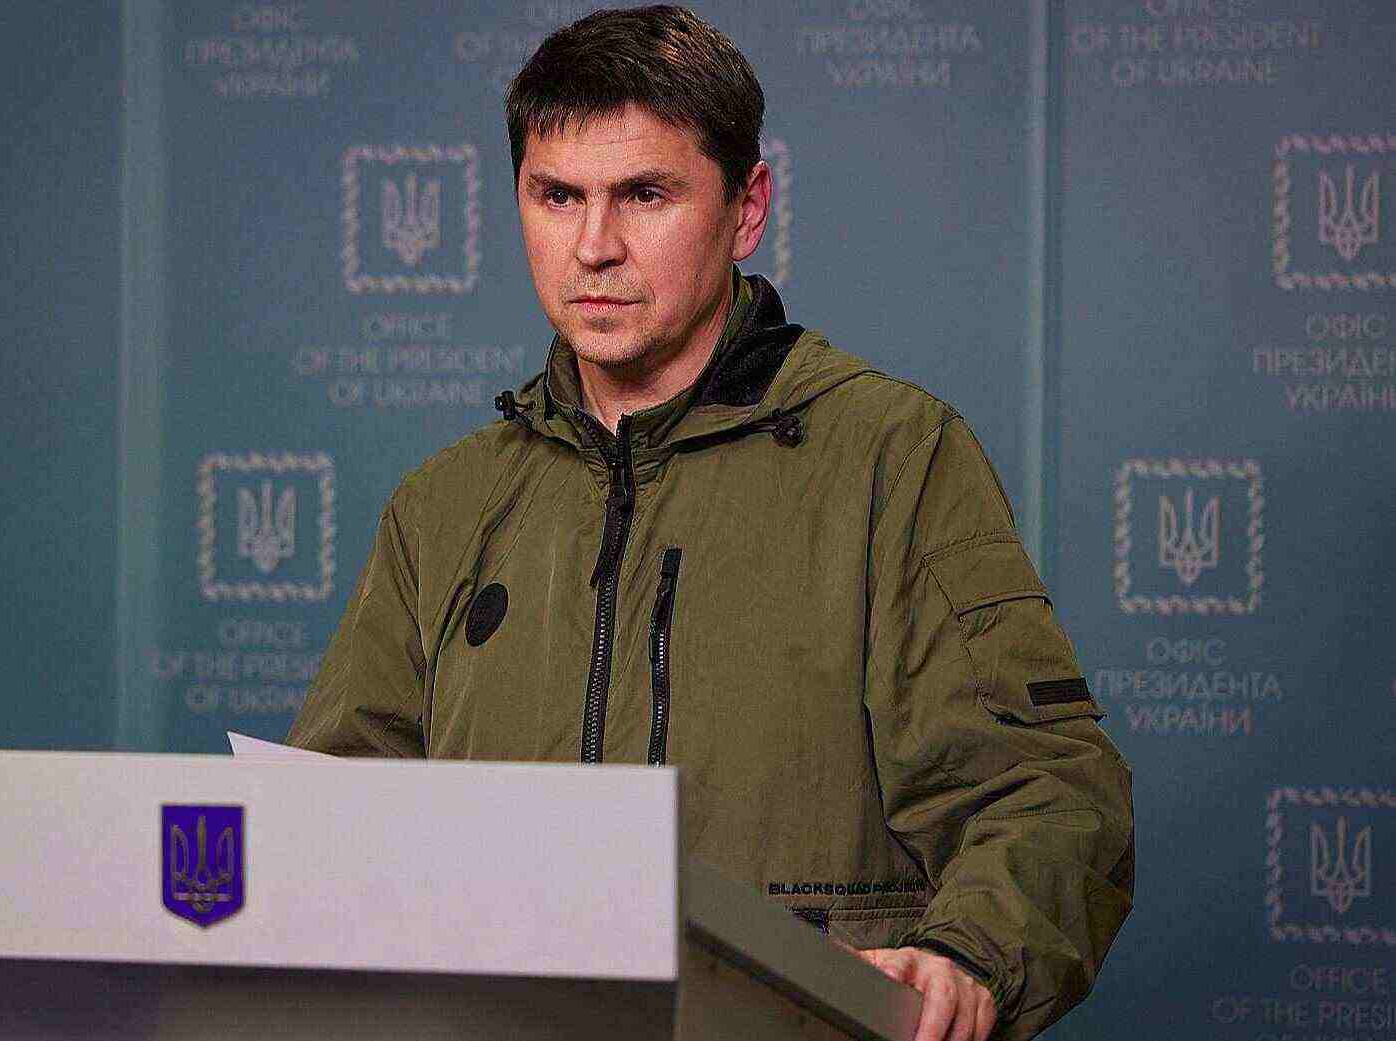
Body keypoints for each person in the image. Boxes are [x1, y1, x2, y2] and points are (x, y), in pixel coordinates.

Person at [286, 7, 1134, 1040]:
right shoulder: (443, 506)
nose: (594, 247)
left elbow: (1047, 790)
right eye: (557, 196)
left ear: (746, 208)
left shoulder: (891, 459)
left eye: (644, 194)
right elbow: (328, 832)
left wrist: (969, 954)